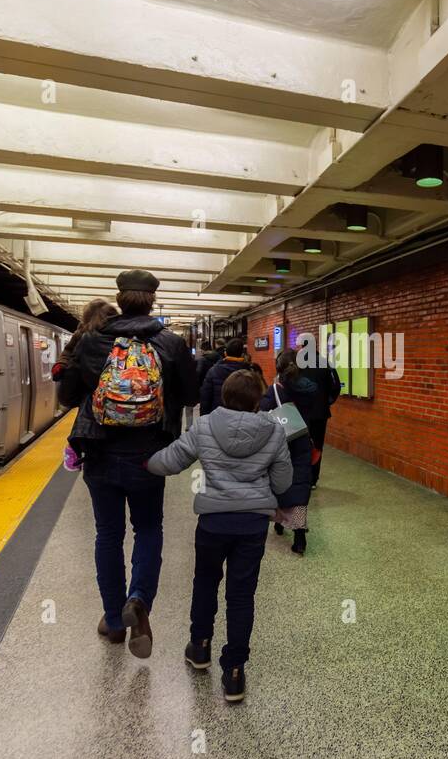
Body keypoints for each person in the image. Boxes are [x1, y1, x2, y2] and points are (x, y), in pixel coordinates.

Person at [55, 269, 197, 657]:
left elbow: (67, 396)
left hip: (100, 454)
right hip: (149, 456)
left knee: (108, 534)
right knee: (149, 528)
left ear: (119, 299)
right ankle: (139, 599)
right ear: (152, 301)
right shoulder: (171, 343)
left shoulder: (92, 339)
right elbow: (189, 395)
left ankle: (114, 623)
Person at [148, 369, 291, 703]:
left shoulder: (205, 425)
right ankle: (235, 672)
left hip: (213, 522)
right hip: (252, 526)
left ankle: (199, 647)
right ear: (257, 399)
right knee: (241, 596)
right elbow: (283, 483)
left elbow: (169, 461)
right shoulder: (273, 431)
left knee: (205, 583)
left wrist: (143, 462)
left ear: (224, 395)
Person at [258, 350, 316, 554]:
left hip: (278, 444)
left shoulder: (275, 390)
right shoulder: (309, 388)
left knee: (278, 485)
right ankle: (300, 537)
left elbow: (262, 415)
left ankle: (279, 522)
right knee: (299, 487)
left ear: (278, 367)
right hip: (301, 441)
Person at [53, 298, 119, 471]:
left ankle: (73, 447)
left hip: (95, 424)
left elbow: (67, 397)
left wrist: (63, 368)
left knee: (88, 403)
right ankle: (73, 446)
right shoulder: (126, 338)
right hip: (133, 418)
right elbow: (68, 352)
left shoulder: (84, 337)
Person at [302, 342, 341, 488]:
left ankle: (302, 476)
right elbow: (336, 385)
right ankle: (313, 479)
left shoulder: (296, 365)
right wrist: (327, 401)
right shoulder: (325, 364)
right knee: (317, 444)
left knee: (300, 444)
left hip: (301, 413)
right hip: (320, 413)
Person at [198, 338, 260, 414]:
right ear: (242, 354)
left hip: (217, 416)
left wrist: (204, 417)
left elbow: (205, 398)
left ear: (225, 353)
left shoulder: (213, 371)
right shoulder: (250, 372)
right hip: (244, 418)